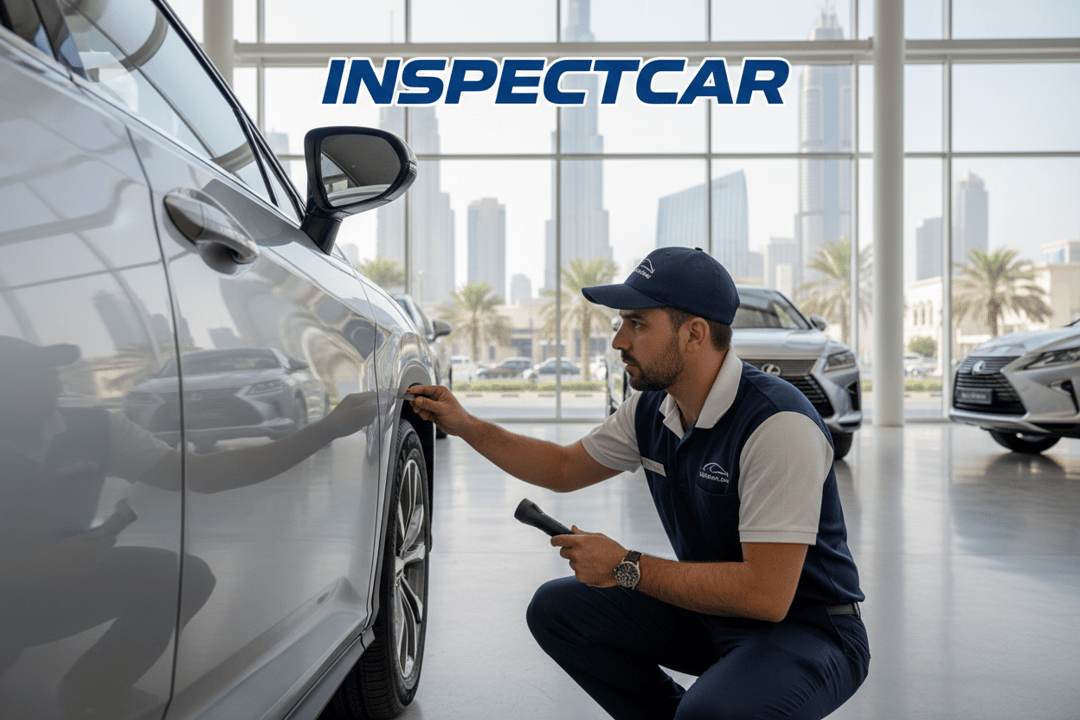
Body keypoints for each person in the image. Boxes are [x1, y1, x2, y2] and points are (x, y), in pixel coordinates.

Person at [408, 246, 869, 720]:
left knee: (710, 716)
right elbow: (563, 468)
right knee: (558, 611)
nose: (618, 341)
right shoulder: (653, 409)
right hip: (717, 613)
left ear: (693, 333)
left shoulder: (777, 424)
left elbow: (766, 596)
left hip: (807, 629)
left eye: (638, 324)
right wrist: (464, 424)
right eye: (621, 323)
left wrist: (625, 565)